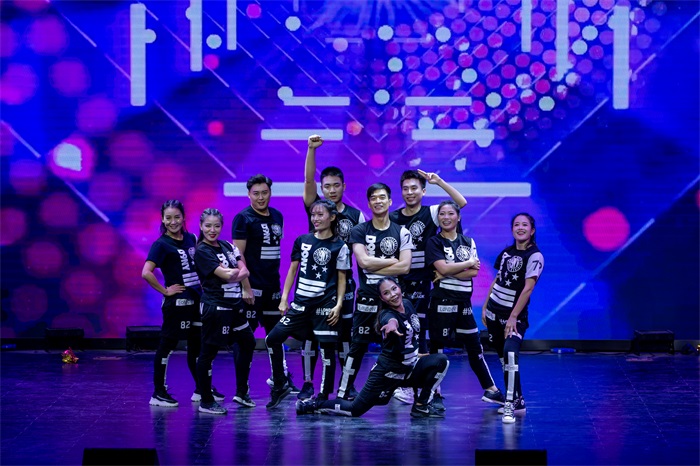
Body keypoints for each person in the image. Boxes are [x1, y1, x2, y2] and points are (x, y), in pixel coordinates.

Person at [296, 277, 449, 417]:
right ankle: (314, 405)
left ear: (399, 287)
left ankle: (421, 406)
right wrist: (391, 325)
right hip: (387, 374)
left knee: (441, 361)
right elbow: (390, 321)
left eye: (394, 289)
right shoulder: (386, 315)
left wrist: (417, 355)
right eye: (386, 293)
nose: (393, 294)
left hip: (408, 371)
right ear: (382, 298)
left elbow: (411, 341)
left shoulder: (408, 304)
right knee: (354, 409)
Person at [389, 169, 467, 404]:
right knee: (403, 335)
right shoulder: (393, 217)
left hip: (426, 284)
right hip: (400, 283)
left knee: (422, 333)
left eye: (414, 188)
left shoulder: (431, 213)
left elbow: (461, 203)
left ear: (423, 191)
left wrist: (439, 181)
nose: (410, 192)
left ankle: (429, 384)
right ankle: (405, 384)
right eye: (405, 188)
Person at [265, 200, 351, 409]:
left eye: (320, 215)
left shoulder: (340, 246)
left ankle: (322, 396)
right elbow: (292, 270)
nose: (315, 219)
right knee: (272, 338)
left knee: (327, 351)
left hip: (325, 305)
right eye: (313, 215)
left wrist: (339, 304)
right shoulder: (302, 240)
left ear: (332, 217)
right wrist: (284, 298)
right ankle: (280, 384)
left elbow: (342, 278)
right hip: (300, 304)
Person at [299, 135, 365, 400]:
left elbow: (362, 254)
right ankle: (307, 384)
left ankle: (346, 385)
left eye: (336, 185)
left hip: (343, 287)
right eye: (326, 186)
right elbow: (308, 180)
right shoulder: (315, 209)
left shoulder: (356, 216)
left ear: (344, 186)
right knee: (310, 336)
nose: (332, 190)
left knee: (344, 337)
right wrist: (311, 150)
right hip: (314, 286)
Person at [142, 200, 224, 407]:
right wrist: (165, 291)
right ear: (162, 220)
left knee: (197, 345)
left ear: (184, 217)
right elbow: (146, 272)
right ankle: (158, 392)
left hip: (197, 300)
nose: (173, 222)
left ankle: (201, 388)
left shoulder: (191, 238)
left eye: (177, 217)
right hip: (176, 304)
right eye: (168, 218)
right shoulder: (161, 244)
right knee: (167, 345)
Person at [425, 200, 503, 412]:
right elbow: (443, 268)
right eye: (442, 214)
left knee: (475, 346)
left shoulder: (468, 241)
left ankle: (491, 389)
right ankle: (434, 394)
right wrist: (464, 265)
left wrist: (448, 271)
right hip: (442, 302)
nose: (446, 217)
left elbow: (473, 272)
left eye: (450, 213)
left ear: (458, 217)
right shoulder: (434, 242)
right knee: (437, 350)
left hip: (464, 303)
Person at [337, 183, 412, 400]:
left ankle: (395, 389)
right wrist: (392, 261)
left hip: (393, 303)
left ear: (390, 201)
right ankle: (343, 392)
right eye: (373, 198)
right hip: (366, 301)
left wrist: (374, 264)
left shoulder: (402, 232)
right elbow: (363, 262)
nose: (378, 201)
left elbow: (405, 267)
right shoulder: (359, 230)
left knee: (398, 348)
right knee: (357, 348)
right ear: (369, 204)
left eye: (382, 197)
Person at [232, 174, 298, 392]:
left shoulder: (277, 216)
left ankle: (280, 379)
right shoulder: (243, 218)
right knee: (245, 339)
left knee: (276, 336)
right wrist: (246, 287)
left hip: (272, 289)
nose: (260, 197)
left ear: (270, 192)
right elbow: (238, 255)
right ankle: (242, 389)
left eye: (264, 193)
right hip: (251, 290)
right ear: (249, 195)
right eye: (256, 193)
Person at [482, 213, 544, 424]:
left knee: (510, 354)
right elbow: (498, 280)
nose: (520, 228)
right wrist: (485, 306)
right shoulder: (506, 252)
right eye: (516, 224)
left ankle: (509, 404)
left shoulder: (535, 256)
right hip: (494, 313)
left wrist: (513, 317)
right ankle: (518, 401)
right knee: (503, 359)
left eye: (524, 225)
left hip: (513, 318)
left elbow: (528, 289)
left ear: (532, 230)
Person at [194, 208, 256, 414]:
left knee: (248, 342)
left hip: (235, 307)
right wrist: (234, 272)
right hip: (216, 308)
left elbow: (244, 270)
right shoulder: (202, 251)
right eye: (208, 226)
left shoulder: (227, 245)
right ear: (201, 226)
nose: (212, 230)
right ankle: (206, 400)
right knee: (208, 353)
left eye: (217, 226)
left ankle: (241, 392)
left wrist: (233, 272)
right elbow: (228, 275)